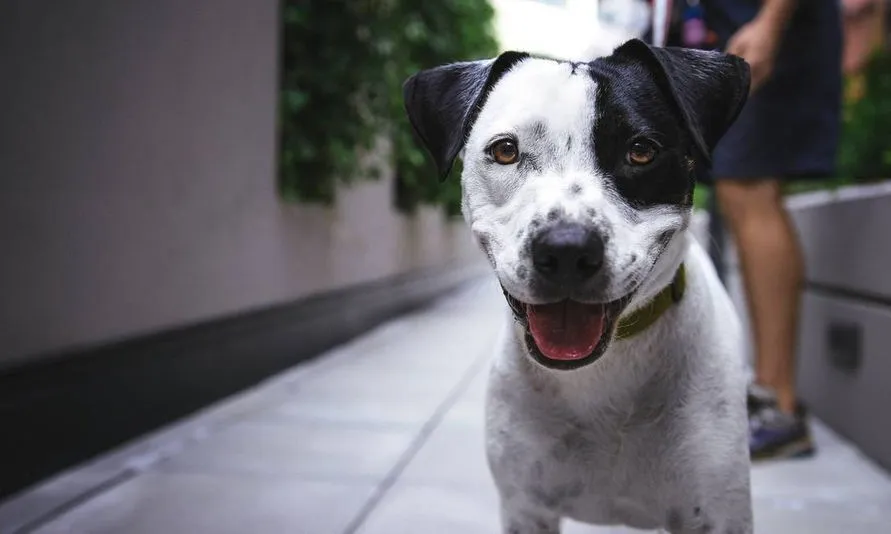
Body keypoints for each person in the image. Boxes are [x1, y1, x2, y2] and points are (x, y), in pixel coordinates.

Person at [700, 0, 844, 460]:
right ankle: (768, 397)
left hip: (764, 24)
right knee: (737, 188)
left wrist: (770, 22)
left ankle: (779, 406)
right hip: (740, 25)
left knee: (749, 185)